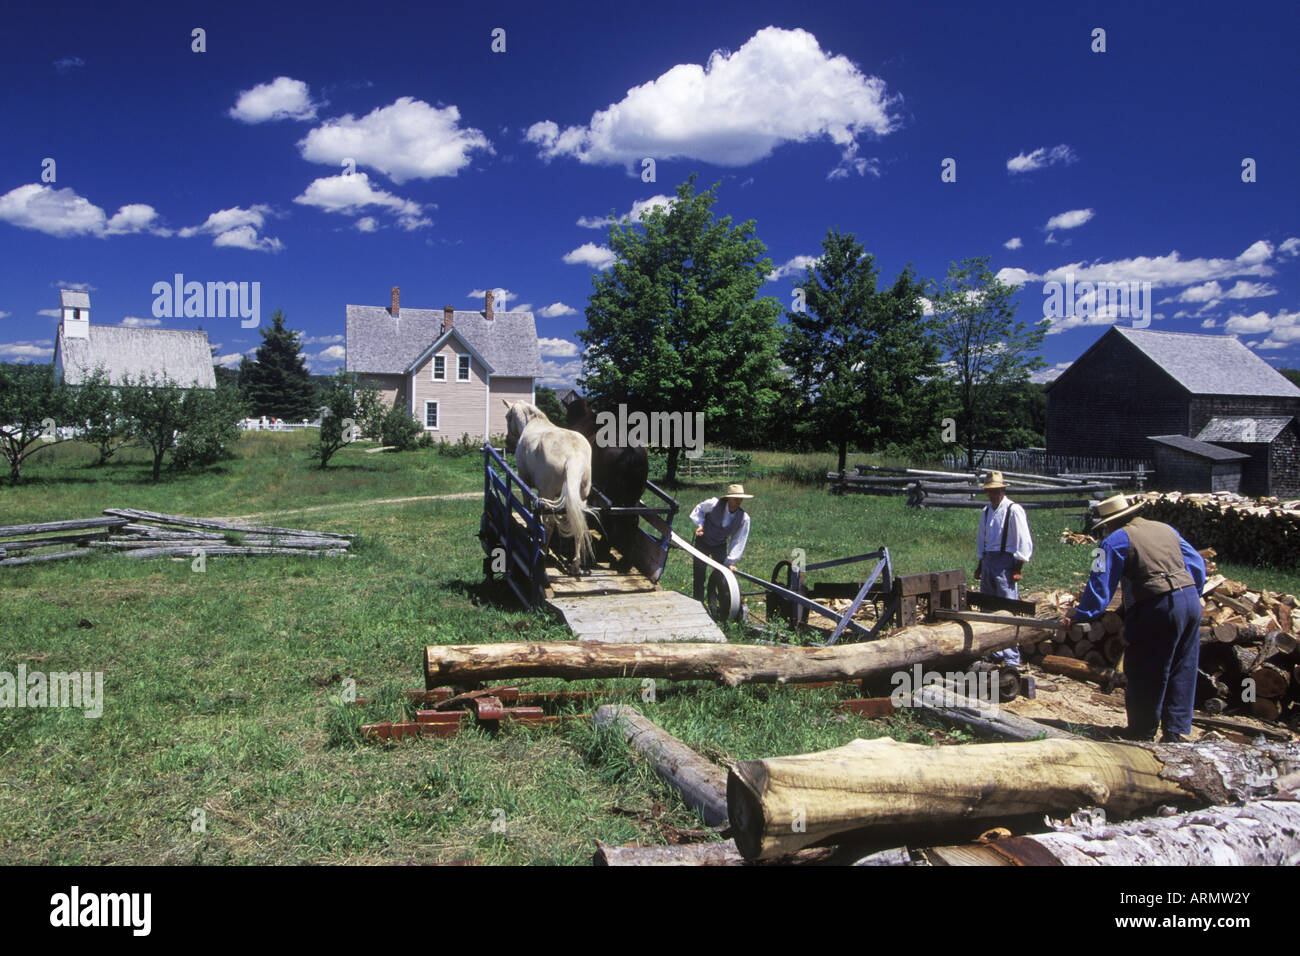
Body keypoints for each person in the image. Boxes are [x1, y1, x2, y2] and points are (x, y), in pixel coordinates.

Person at [1059, 493, 1206, 743]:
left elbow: (1099, 585)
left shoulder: (1112, 542)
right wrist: (1191, 595)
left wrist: (1080, 613)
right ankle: (1176, 731)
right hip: (1191, 601)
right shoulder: (1166, 529)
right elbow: (1197, 565)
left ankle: (1141, 732)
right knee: (1183, 666)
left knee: (1144, 668)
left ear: (1108, 523)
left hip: (1157, 606)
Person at [975, 472, 1033, 665]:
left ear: (1003, 490)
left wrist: (1018, 567)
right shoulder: (986, 511)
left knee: (1007, 609)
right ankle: (993, 652)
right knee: (987, 608)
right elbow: (982, 541)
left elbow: (1023, 540)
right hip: (989, 562)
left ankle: (1011, 658)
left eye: (996, 491)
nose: (993, 495)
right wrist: (980, 566)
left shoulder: (1013, 510)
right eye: (990, 492)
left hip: (1006, 562)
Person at [690, 484, 752, 601]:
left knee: (722, 573)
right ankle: (697, 601)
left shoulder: (743, 518)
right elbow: (698, 509)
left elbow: (738, 539)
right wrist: (700, 525)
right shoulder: (713, 504)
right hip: (703, 542)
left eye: (741, 499)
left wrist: (731, 561)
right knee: (699, 574)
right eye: (735, 498)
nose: (739, 501)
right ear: (729, 498)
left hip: (719, 545)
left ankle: (719, 601)